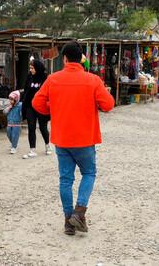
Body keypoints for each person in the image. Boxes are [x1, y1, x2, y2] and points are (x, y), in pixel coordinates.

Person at [32, 42, 115, 236]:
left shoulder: (53, 79)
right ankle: (79, 212)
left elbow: (37, 102)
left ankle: (69, 221)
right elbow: (109, 105)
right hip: (85, 138)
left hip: (62, 138)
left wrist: (52, 111)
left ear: (65, 59)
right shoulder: (93, 80)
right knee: (89, 173)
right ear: (81, 59)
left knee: (65, 179)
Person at [22, 60, 51, 158]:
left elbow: (48, 93)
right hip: (31, 106)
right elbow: (26, 91)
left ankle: (47, 145)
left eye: (32, 68)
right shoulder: (29, 77)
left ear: (37, 68)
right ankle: (32, 149)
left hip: (41, 106)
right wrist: (24, 106)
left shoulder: (45, 78)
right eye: (30, 68)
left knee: (43, 127)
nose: (31, 70)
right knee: (31, 127)